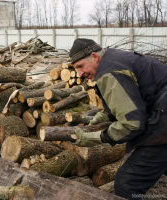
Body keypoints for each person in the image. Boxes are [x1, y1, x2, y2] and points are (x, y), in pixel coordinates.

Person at [69, 38, 167, 199]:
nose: (80, 74)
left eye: (80, 66)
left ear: (94, 56)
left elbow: (132, 123)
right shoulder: (113, 58)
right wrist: (107, 114)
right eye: (76, 69)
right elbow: (134, 95)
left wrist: (96, 137)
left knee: (128, 184)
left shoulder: (108, 72)